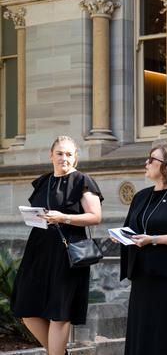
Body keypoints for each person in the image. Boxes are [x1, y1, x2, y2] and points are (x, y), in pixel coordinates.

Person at [11, 136, 103, 355]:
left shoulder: (82, 180)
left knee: (59, 312)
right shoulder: (43, 181)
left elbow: (95, 216)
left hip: (68, 251)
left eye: (69, 154)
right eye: (60, 153)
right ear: (51, 155)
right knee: (27, 309)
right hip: (39, 249)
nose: (64, 158)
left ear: (76, 158)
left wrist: (63, 217)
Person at [119, 143, 167, 355]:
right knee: (142, 333)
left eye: (151, 159)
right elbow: (131, 228)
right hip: (143, 276)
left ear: (166, 166)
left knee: (166, 335)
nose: (146, 163)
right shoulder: (141, 196)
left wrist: (153, 239)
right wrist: (122, 237)